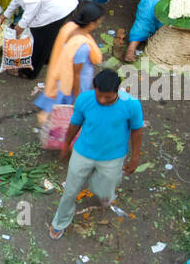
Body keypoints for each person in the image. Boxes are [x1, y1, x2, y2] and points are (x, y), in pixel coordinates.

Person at [49, 70, 143, 238]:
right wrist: (66, 144)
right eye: (99, 95)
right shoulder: (84, 99)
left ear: (117, 91)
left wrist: (135, 157)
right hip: (83, 153)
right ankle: (60, 222)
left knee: (104, 190)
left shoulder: (132, 105)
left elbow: (137, 130)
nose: (102, 100)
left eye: (107, 97)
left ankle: (102, 191)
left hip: (113, 157)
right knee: (70, 191)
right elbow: (75, 123)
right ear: (94, 87)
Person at [36, 1, 104, 121]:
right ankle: (46, 119)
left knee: (59, 100)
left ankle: (46, 116)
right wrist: (77, 98)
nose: (100, 24)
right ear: (92, 24)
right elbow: (76, 75)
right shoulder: (81, 46)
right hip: (77, 80)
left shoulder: (69, 27)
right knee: (66, 106)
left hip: (62, 74)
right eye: (99, 22)